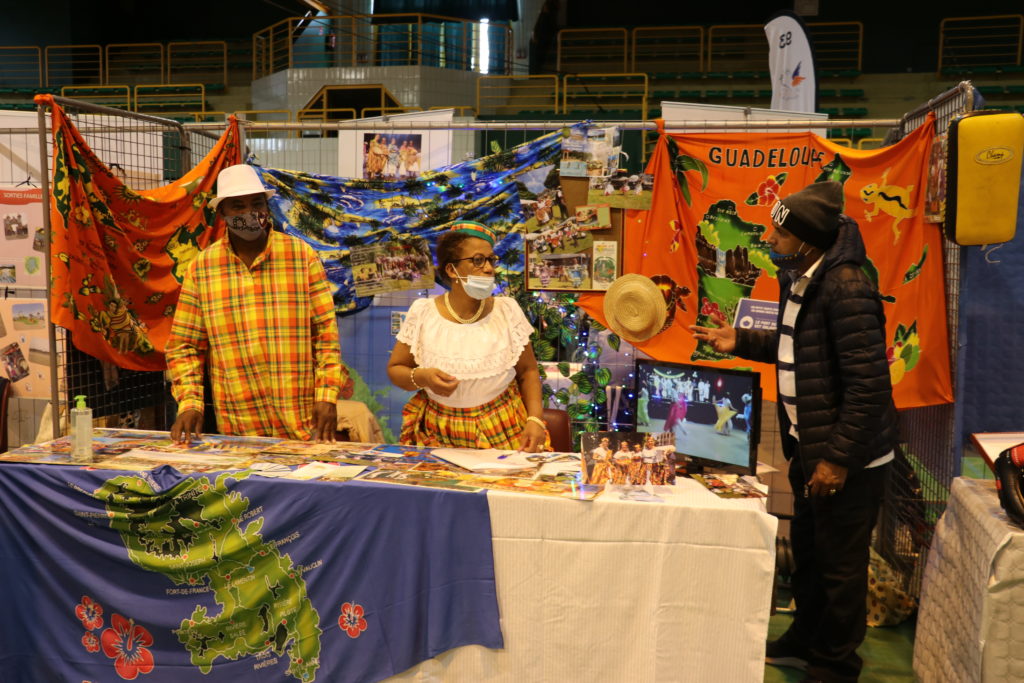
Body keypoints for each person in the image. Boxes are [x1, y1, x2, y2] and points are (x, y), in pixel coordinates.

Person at [689, 181, 896, 683]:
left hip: (847, 458)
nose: (769, 236)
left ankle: (834, 664)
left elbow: (868, 387)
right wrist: (738, 338)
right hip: (812, 445)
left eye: (779, 230)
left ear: (806, 238)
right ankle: (805, 638)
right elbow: (799, 347)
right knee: (808, 550)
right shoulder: (802, 275)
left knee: (840, 565)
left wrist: (836, 461)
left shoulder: (846, 285)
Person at [166, 164, 347, 443]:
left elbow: (325, 335)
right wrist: (190, 402)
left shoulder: (301, 257)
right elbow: (184, 345)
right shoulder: (202, 269)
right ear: (222, 212)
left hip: (302, 420)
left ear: (267, 205)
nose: (249, 213)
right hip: (240, 425)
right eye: (237, 206)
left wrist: (327, 395)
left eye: (256, 203)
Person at [386, 222, 547, 452]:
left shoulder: (507, 310)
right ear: (452, 270)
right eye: (478, 260)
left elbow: (528, 371)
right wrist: (422, 377)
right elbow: (396, 368)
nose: (489, 269)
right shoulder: (423, 313)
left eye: (491, 260)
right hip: (439, 429)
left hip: (503, 424)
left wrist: (535, 419)